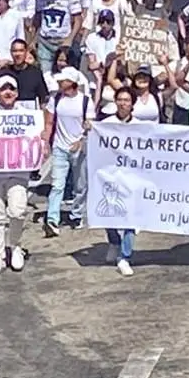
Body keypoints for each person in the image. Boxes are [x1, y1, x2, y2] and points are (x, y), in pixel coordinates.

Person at [0, 75, 52, 275]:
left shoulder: (28, 115)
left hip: (18, 173)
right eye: (3, 89)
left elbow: (38, 141)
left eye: (11, 89)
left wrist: (42, 142)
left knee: (17, 211)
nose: (8, 92)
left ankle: (15, 247)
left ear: (17, 93)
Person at [96, 86, 151, 276]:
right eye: (120, 100)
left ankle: (125, 257)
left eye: (127, 100)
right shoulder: (106, 124)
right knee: (107, 212)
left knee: (130, 217)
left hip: (132, 177)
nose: (123, 103)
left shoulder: (140, 126)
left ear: (132, 104)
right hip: (109, 176)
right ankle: (114, 242)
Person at [44, 66, 93, 236]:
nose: (59, 82)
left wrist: (81, 140)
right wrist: (46, 143)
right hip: (60, 147)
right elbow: (49, 122)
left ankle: (76, 214)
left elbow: (90, 125)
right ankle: (52, 219)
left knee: (80, 186)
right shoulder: (55, 99)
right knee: (57, 185)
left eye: (63, 80)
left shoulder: (85, 101)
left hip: (79, 149)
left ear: (72, 82)